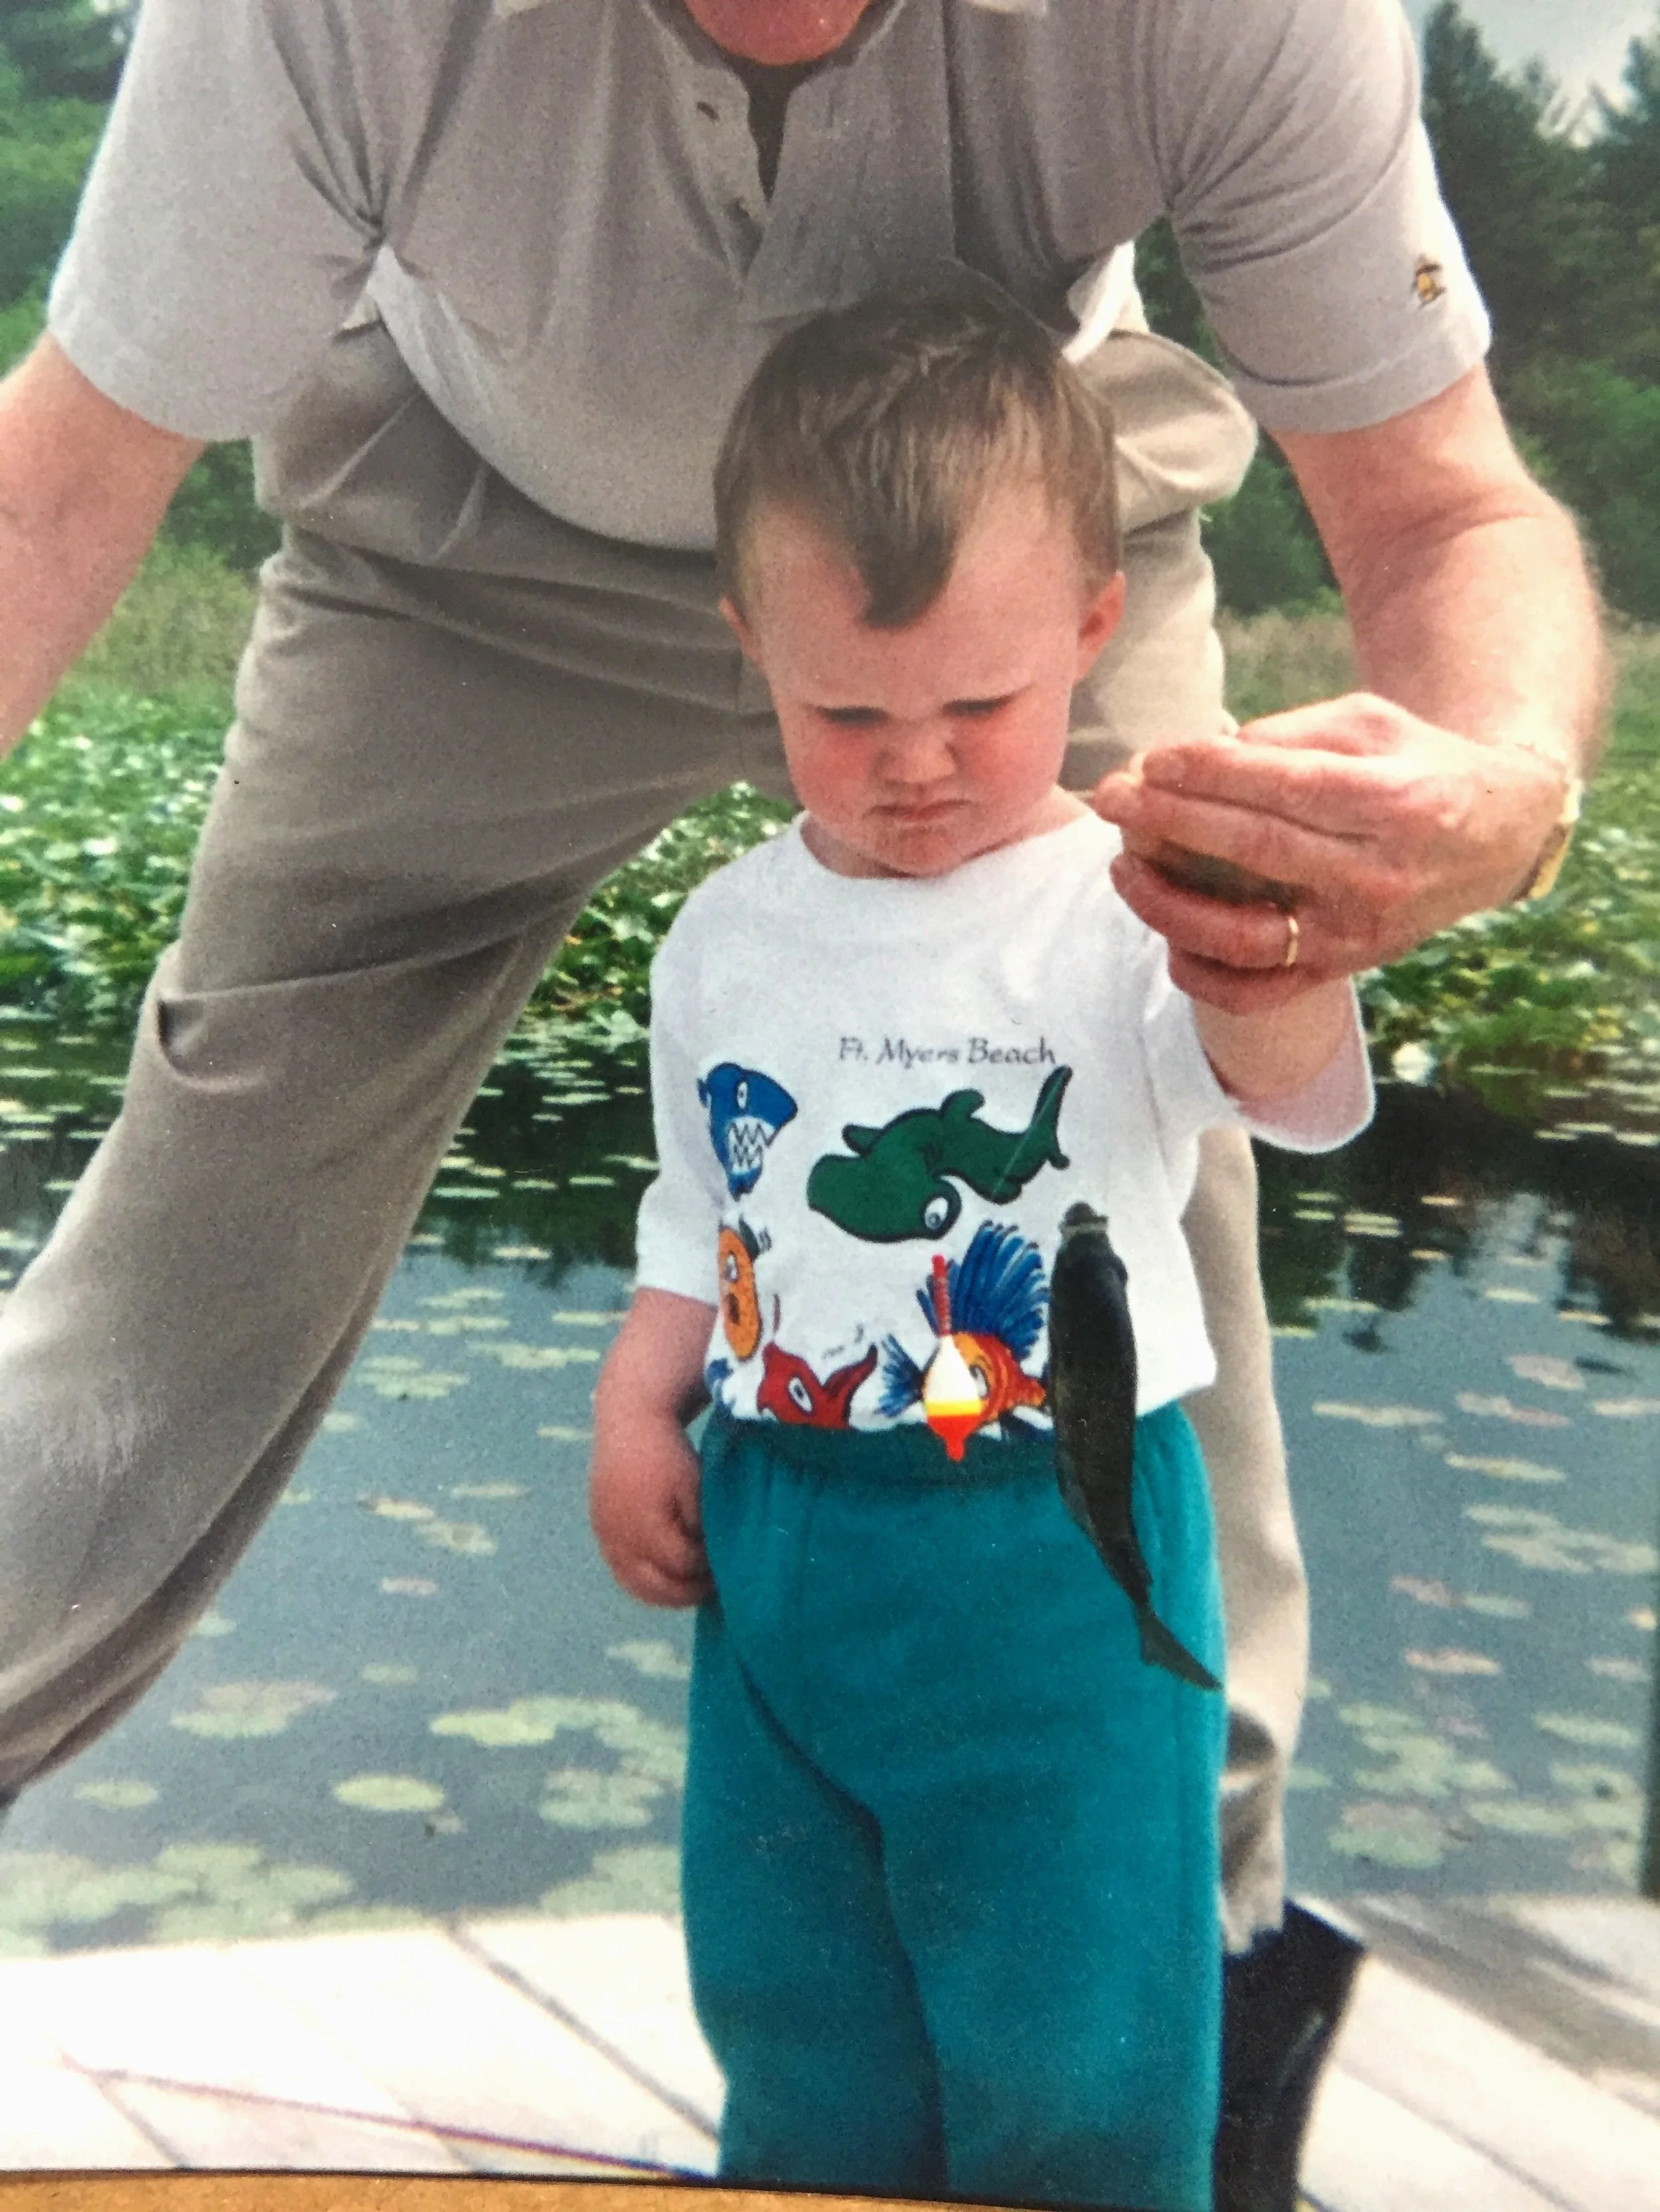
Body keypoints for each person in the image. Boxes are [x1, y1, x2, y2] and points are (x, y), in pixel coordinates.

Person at [0, 0, 1603, 2193]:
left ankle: (1193, 2023)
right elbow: (63, 476)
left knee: (1159, 1265)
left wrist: (1499, 790)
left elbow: (1438, 511)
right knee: (166, 1277)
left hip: (999, 563)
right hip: (472, 556)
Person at [590, 286, 1374, 2211]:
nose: (913, 761)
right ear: (750, 644)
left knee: (1080, 2052)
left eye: (977, 705)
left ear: (1092, 630)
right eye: (846, 711)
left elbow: (1297, 1100)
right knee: (795, 2020)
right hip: (782, 1529)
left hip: (1064, 1537)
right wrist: (637, 1401)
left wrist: (1275, 947)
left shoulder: (1115, 904)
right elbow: (706, 1201)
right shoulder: (722, 937)